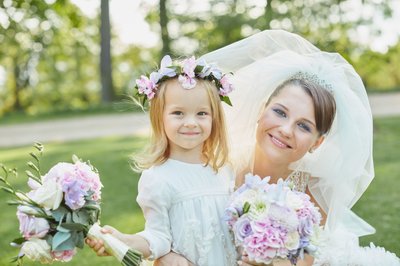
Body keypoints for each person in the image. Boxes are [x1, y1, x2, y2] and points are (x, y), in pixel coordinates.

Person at [156, 30, 400, 266]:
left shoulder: (312, 195)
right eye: (280, 112)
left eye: (303, 126)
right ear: (262, 109)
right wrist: (165, 253)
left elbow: (303, 261)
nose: (285, 129)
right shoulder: (216, 168)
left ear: (317, 142)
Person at [86, 55, 238, 265]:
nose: (191, 122)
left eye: (202, 113)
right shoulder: (158, 178)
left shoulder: (224, 170)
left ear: (215, 118)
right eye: (178, 113)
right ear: (160, 117)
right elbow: (158, 238)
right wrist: (122, 240)